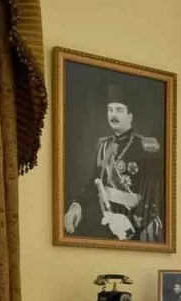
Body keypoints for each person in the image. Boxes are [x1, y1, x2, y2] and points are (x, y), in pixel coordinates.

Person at [63, 83, 164, 242]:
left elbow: (154, 194)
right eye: (110, 110)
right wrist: (77, 205)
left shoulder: (146, 146)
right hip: (104, 223)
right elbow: (95, 182)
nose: (113, 115)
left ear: (130, 116)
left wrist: (131, 223)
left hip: (133, 228)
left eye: (119, 110)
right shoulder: (103, 146)